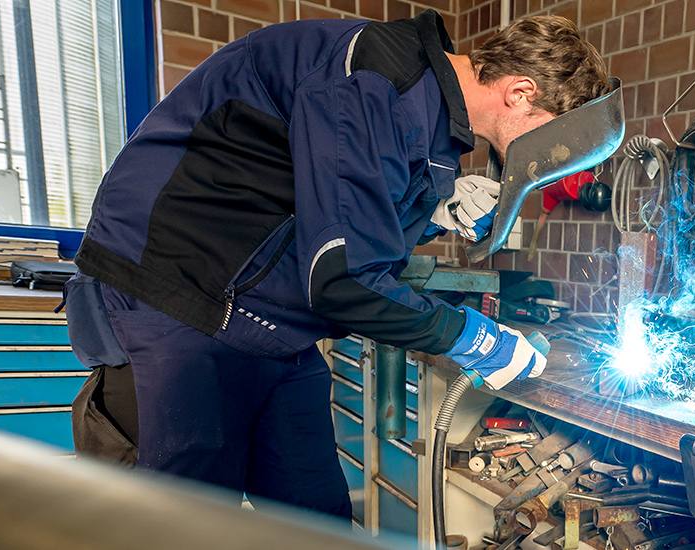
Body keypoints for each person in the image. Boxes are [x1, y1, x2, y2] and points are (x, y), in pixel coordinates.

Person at [61, 11, 609, 517]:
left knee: (316, 520)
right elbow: (345, 280)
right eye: (552, 142)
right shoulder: (377, 80)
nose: (544, 166)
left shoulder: (424, 110)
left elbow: (335, 219)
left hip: (274, 329)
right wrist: (476, 339)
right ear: (520, 92)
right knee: (182, 526)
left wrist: (431, 215)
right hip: (180, 305)